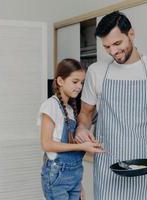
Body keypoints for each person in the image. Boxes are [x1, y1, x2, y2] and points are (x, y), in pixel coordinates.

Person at [75, 11, 147, 200]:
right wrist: (81, 129)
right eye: (107, 47)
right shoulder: (96, 71)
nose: (113, 51)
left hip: (146, 174)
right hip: (108, 173)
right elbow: (85, 114)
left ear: (131, 34)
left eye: (117, 43)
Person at [38, 58, 103, 200]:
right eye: (75, 82)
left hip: (74, 175)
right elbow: (46, 144)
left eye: (82, 82)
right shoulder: (51, 105)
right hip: (57, 176)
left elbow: (72, 149)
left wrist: (78, 184)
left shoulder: (69, 109)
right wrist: (82, 146)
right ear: (60, 81)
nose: (79, 86)